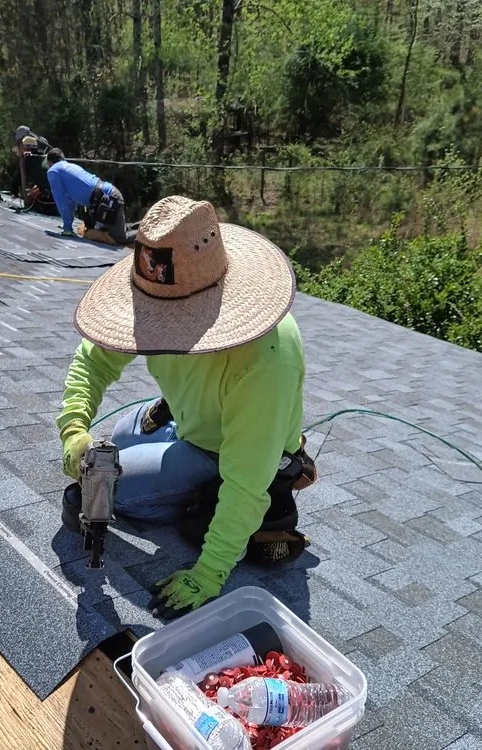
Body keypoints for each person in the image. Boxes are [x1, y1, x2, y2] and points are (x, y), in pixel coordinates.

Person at [56, 195, 316, 619]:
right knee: (109, 448)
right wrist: (73, 429)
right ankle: (168, 474)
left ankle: (199, 496)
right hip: (187, 421)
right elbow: (94, 358)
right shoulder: (160, 288)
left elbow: (247, 484)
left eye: (171, 321)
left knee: (107, 490)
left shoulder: (267, 357)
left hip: (230, 452)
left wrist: (210, 572)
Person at [44, 148, 133, 245]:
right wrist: (67, 224)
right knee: (117, 229)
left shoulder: (53, 171)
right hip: (107, 195)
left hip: (108, 199)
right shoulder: (69, 167)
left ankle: (149, 230)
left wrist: (67, 228)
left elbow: (60, 200)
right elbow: (70, 200)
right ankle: (145, 226)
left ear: (49, 162)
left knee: (120, 238)